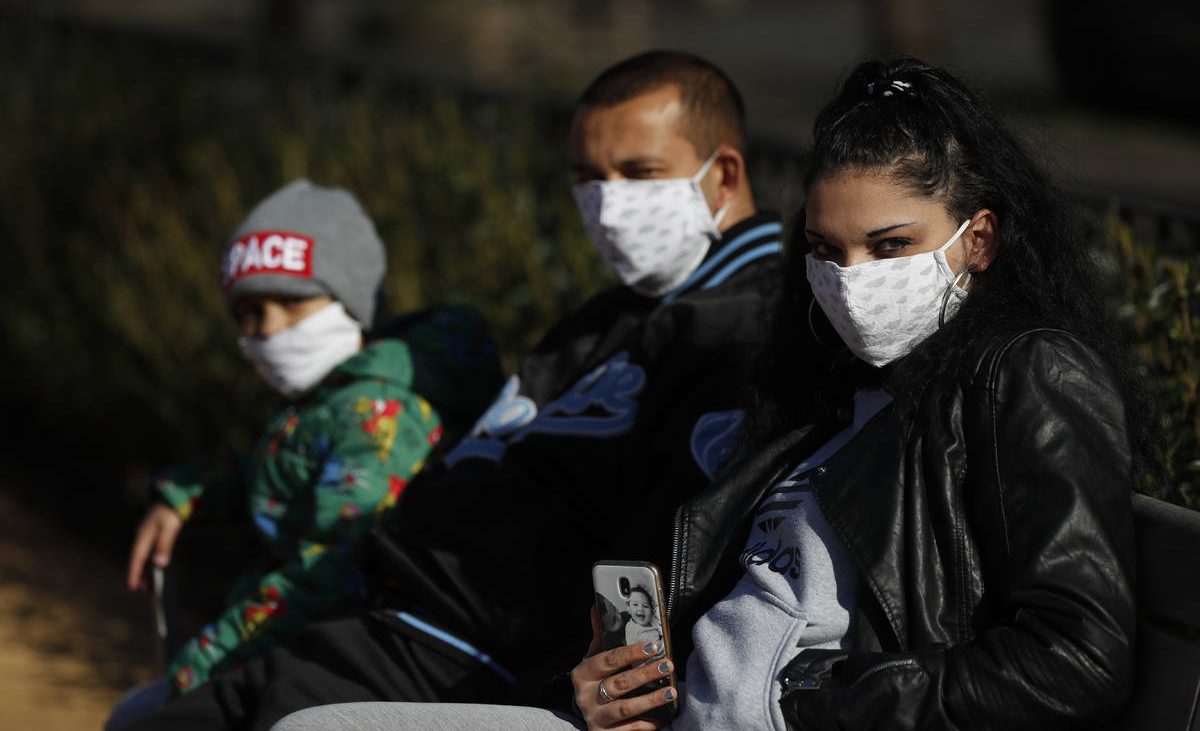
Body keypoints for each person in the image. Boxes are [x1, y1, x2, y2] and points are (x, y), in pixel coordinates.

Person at [272, 59, 1148, 731]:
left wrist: (809, 700)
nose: (853, 281)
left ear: (980, 238)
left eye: (890, 246)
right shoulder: (818, 398)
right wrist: (593, 694)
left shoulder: (1026, 373)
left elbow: (1078, 656)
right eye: (826, 251)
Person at [122, 50, 785, 731]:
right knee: (142, 717)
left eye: (638, 173)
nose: (609, 205)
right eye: (588, 179)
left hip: (478, 662)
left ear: (724, 173)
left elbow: (676, 550)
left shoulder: (742, 331)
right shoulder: (617, 313)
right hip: (389, 619)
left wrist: (575, 689)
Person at [112, 180, 503, 722]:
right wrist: (185, 491)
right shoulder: (333, 400)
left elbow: (327, 571)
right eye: (248, 313)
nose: (269, 330)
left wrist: (199, 666)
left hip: (336, 667)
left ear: (353, 298)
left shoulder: (379, 415)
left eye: (292, 302)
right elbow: (282, 474)